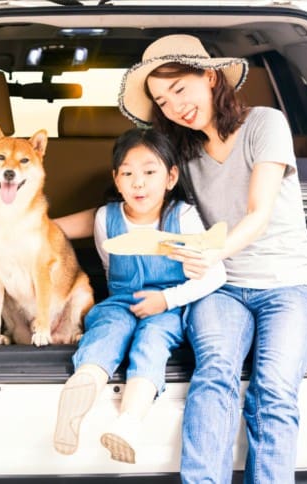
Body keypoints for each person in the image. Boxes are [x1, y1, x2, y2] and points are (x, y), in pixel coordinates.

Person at [56, 34, 307, 483]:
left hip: (288, 283)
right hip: (220, 287)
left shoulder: (265, 124)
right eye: (162, 101)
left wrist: (214, 251)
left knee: (274, 391)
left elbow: (258, 213)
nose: (174, 106)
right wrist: (37, 227)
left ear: (210, 76)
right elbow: (134, 207)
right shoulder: (182, 151)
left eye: (180, 89)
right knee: (214, 375)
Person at [53, 128, 225, 465]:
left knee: (152, 342)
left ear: (171, 177)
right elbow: (110, 269)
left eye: (150, 172)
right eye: (128, 174)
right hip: (122, 300)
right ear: (116, 180)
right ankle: (82, 387)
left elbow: (216, 274)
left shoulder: (184, 218)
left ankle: (129, 422)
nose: (138, 183)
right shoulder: (106, 218)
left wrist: (167, 300)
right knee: (108, 328)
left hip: (167, 303)